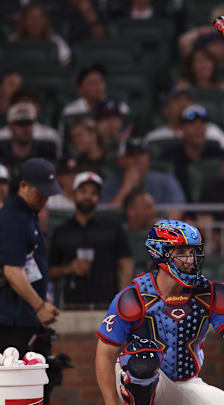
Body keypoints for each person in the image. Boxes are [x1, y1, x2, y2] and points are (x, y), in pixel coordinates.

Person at [95, 219, 224, 405]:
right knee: (142, 359)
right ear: (159, 253)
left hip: (187, 383)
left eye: (192, 252)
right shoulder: (135, 295)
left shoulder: (206, 293)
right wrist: (111, 401)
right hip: (139, 380)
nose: (189, 260)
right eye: (180, 252)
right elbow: (105, 353)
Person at [0, 158, 61, 400]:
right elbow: (12, 270)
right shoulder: (14, 217)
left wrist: (43, 298)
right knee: (17, 387)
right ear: (23, 185)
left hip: (23, 314)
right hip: (10, 319)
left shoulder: (29, 213)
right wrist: (38, 306)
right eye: (40, 192)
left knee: (34, 385)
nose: (45, 198)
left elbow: (29, 264)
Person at [48, 171, 133, 306]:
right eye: (83, 191)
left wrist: (122, 300)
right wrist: (69, 269)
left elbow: (126, 265)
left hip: (107, 304)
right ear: (74, 194)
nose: (88, 196)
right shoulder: (61, 232)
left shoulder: (113, 228)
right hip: (72, 305)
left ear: (99, 197)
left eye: (93, 193)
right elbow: (50, 271)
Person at [101, 138, 186, 218]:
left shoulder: (167, 182)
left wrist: (143, 222)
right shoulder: (108, 186)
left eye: (141, 154)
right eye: (132, 155)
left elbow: (176, 213)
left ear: (148, 158)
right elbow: (105, 218)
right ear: (122, 160)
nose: (137, 159)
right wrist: (125, 189)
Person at [159, 105, 224, 199]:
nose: (198, 129)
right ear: (181, 128)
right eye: (192, 124)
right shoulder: (169, 157)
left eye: (202, 124)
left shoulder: (217, 154)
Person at [142, 88, 224, 149]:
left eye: (186, 99)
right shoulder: (154, 138)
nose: (183, 104)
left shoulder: (212, 130)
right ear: (165, 110)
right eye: (177, 100)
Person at [176, 47, 224, 116]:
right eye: (198, 61)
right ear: (191, 66)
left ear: (214, 64)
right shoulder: (184, 88)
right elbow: (176, 113)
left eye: (207, 60)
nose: (203, 65)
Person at [0, 102, 57, 177]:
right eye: (20, 124)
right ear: (10, 127)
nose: (25, 128)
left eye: (28, 123)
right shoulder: (1, 151)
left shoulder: (46, 150)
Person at [0, 87, 63, 154]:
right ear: (14, 105)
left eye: (34, 102)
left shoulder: (51, 135)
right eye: (25, 101)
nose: (30, 106)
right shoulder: (1, 135)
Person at [10, 2, 71, 66]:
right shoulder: (13, 41)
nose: (36, 22)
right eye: (31, 18)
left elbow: (66, 64)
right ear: (24, 21)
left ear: (45, 21)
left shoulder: (56, 42)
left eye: (40, 18)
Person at [61, 65, 129, 121]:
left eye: (101, 81)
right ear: (80, 90)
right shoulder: (70, 112)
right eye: (92, 83)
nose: (98, 86)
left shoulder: (119, 107)